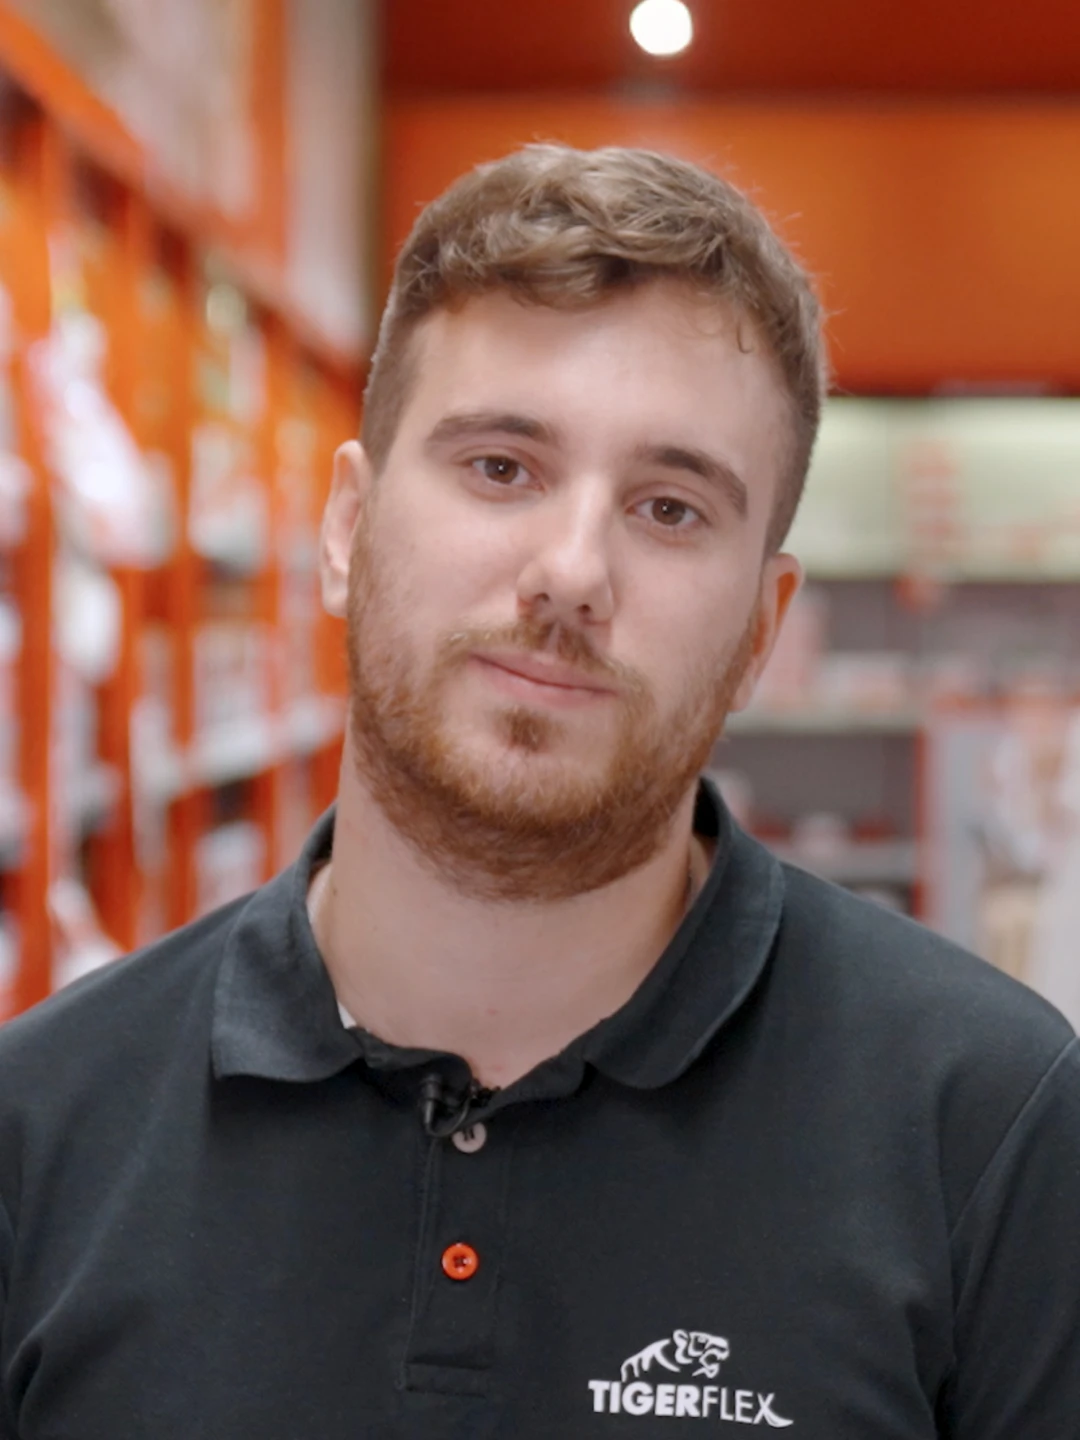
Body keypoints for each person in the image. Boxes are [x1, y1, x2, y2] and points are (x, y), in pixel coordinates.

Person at [1, 145, 1077, 1440]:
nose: (572, 571)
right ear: (346, 529)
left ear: (759, 631)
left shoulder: (994, 1126)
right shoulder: (40, 1131)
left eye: (671, 508)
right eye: (500, 466)